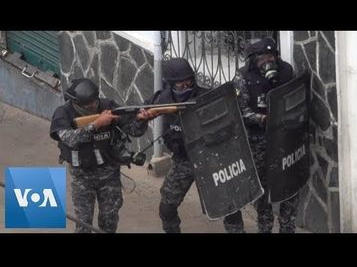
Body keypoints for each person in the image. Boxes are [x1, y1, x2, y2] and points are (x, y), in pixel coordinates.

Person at [147, 57, 244, 233]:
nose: (186, 87)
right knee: (167, 207)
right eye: (180, 85)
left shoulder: (207, 96)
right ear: (170, 84)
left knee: (231, 205)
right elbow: (140, 116)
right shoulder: (163, 99)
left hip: (211, 159)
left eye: (189, 82)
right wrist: (142, 117)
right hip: (183, 160)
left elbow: (230, 124)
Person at [49, 78, 155, 233]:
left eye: (94, 102)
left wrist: (141, 120)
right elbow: (69, 139)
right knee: (83, 225)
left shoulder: (108, 106)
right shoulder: (63, 113)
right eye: (87, 105)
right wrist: (96, 124)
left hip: (109, 173)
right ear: (76, 103)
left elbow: (134, 131)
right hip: (82, 177)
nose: (93, 106)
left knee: (109, 222)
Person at [233, 37, 300, 233]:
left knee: (289, 186)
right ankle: (265, 228)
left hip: (284, 139)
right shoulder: (243, 76)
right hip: (257, 141)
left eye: (270, 57)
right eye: (262, 59)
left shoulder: (286, 71)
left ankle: (287, 228)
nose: (267, 62)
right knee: (263, 191)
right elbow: (240, 110)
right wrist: (262, 119)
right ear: (253, 60)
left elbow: (294, 98)